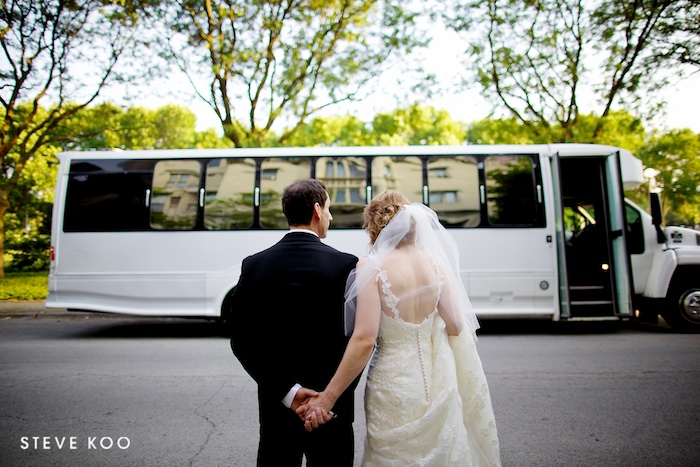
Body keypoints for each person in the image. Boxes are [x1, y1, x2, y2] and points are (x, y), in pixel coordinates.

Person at [298, 190, 502, 466]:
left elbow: (364, 339)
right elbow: (455, 325)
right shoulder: (436, 264)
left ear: (374, 225)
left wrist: (328, 396)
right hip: (434, 380)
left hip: (392, 382)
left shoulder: (372, 267)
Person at [228, 179, 359, 466]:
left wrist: (288, 392)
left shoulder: (255, 264)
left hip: (278, 409)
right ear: (316, 210)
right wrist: (326, 400)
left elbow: (241, 340)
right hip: (331, 409)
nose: (330, 216)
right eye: (328, 208)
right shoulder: (346, 265)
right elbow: (356, 340)